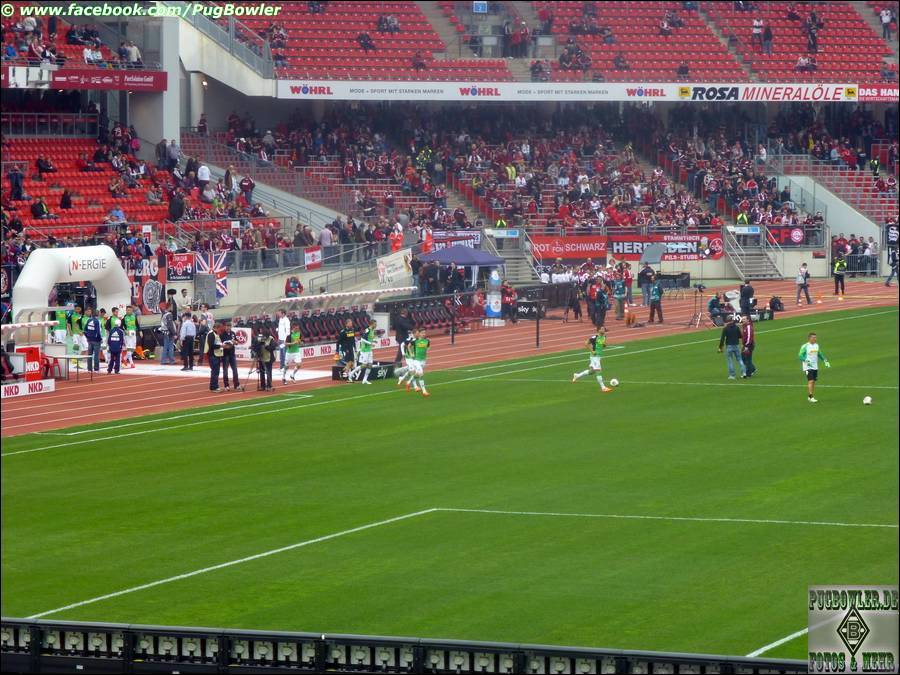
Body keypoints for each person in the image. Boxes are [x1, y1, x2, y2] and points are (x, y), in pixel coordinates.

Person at [571, 326, 613, 392]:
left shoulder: (604, 337)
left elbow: (603, 345)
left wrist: (604, 345)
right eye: (602, 329)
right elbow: (586, 343)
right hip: (594, 357)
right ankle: (603, 387)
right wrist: (592, 351)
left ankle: (577, 375)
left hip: (598, 356)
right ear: (598, 330)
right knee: (598, 371)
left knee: (591, 371)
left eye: (604, 329)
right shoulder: (594, 337)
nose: (604, 330)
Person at [799, 332, 830, 403]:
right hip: (807, 366)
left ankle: (810, 396)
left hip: (815, 366)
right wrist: (806, 360)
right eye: (813, 337)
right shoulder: (805, 346)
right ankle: (811, 397)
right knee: (811, 380)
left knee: (813, 382)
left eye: (815, 337)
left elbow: (819, 353)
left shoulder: (816, 345)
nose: (815, 339)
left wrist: (825, 360)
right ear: (809, 338)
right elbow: (800, 355)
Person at [717, 315, 746, 380]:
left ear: (727, 321)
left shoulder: (725, 328)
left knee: (730, 361)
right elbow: (740, 336)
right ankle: (744, 373)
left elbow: (722, 339)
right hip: (736, 345)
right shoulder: (736, 327)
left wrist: (720, 347)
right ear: (732, 320)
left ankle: (732, 375)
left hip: (729, 346)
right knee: (739, 359)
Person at [220, 321, 244, 391]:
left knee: (235, 370)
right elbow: (221, 344)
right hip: (225, 354)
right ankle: (226, 385)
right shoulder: (222, 334)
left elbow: (237, 342)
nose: (228, 328)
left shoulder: (233, 333)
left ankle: (236, 385)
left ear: (231, 327)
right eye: (227, 326)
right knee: (225, 370)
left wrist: (235, 342)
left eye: (229, 326)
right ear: (225, 327)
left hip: (232, 354)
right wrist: (227, 344)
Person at [407, 327, 430, 396]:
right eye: (422, 333)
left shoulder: (427, 341)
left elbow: (428, 347)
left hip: (423, 360)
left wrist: (426, 351)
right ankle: (424, 391)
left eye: (424, 333)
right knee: (421, 374)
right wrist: (411, 353)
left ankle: (408, 382)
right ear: (419, 333)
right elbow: (408, 346)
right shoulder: (415, 341)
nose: (424, 334)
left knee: (417, 374)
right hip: (416, 360)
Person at [354, 319, 378, 384]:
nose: (376, 325)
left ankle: (364, 380)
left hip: (369, 349)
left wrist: (374, 340)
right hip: (364, 350)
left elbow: (369, 339)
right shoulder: (367, 330)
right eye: (375, 324)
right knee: (364, 365)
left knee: (370, 365)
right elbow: (362, 339)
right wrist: (370, 343)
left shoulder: (372, 330)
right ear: (372, 324)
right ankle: (352, 373)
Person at [255, 325, 277, 391]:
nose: (264, 337)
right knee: (262, 372)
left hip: (269, 358)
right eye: (263, 336)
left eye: (265, 336)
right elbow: (256, 346)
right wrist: (257, 346)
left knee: (268, 372)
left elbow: (273, 348)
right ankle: (263, 386)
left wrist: (266, 346)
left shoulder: (271, 339)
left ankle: (269, 386)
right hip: (261, 357)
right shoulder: (260, 338)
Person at [83, 307, 103, 372]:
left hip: (89, 340)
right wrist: (100, 339)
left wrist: (87, 337)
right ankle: (96, 369)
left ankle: (89, 369)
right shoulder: (97, 321)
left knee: (89, 355)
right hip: (96, 340)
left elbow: (84, 330)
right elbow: (98, 331)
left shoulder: (89, 320)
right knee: (96, 355)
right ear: (98, 314)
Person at [206, 322, 224, 392]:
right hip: (213, 355)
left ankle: (214, 386)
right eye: (220, 329)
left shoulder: (216, 334)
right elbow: (211, 345)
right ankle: (213, 387)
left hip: (216, 355)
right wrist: (221, 346)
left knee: (216, 371)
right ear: (217, 328)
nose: (220, 331)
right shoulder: (211, 334)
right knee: (215, 371)